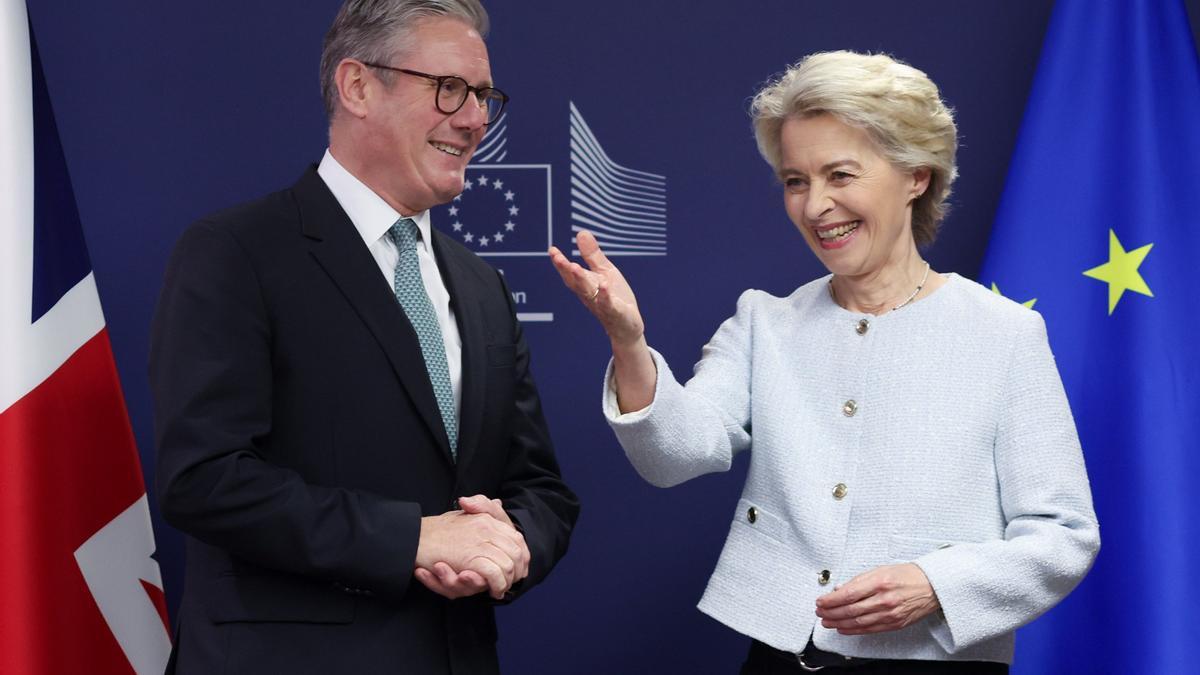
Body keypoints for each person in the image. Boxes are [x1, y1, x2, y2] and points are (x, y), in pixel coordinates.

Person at [550, 50, 1098, 673]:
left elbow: (1063, 534)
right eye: (796, 181)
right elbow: (675, 455)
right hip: (781, 658)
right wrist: (628, 340)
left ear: (916, 174)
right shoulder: (766, 322)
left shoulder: (1005, 334)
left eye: (841, 175)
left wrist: (936, 583)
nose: (815, 206)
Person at [150, 1, 578, 673]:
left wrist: (508, 543)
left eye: (484, 96)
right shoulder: (236, 252)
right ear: (357, 87)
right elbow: (203, 478)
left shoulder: (482, 286)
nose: (473, 119)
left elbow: (541, 488)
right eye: (449, 89)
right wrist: (410, 537)